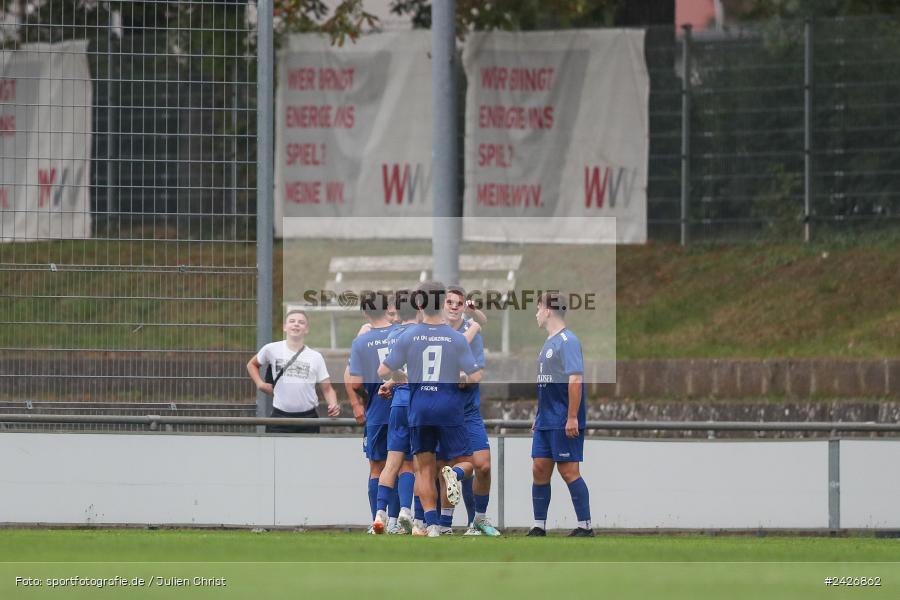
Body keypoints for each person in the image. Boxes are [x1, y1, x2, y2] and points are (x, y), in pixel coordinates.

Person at [378, 281, 482, 538]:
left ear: (420, 304)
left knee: (423, 469)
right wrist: (463, 377)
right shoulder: (456, 338)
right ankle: (453, 474)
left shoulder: (409, 336)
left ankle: (432, 525)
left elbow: (382, 370)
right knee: (467, 462)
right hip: (449, 409)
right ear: (442, 304)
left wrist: (398, 374)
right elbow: (475, 375)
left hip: (420, 409)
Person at [528, 291, 593, 537]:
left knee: (568, 471)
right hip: (546, 419)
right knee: (539, 468)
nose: (536, 313)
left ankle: (585, 527)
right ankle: (538, 526)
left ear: (547, 310)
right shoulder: (549, 342)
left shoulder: (568, 341)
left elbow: (575, 379)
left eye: (537, 308)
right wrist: (539, 415)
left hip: (563, 419)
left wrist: (572, 417)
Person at [438, 285, 500, 536]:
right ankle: (441, 524)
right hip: (441, 410)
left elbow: (478, 372)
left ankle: (479, 521)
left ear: (464, 307)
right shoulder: (434, 332)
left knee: (482, 465)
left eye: (458, 303)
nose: (453, 307)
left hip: (468, 411)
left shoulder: (471, 332)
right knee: (442, 468)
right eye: (449, 302)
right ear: (443, 306)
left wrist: (467, 377)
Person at [346, 292, 396, 528]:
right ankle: (399, 519)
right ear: (388, 308)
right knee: (402, 464)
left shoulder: (361, 341)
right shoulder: (403, 333)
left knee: (377, 467)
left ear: (365, 313)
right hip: (405, 406)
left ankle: (378, 519)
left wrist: (364, 399)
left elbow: (354, 383)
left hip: (377, 410)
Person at [371, 291, 418, 534]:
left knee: (390, 462)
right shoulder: (419, 334)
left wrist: (393, 381)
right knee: (412, 464)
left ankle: (380, 514)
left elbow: (388, 370)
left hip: (397, 402)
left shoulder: (392, 334)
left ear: (397, 312)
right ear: (419, 309)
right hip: (417, 401)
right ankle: (406, 512)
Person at [246, 309, 339, 434]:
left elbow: (327, 389)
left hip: (308, 419)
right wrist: (260, 384)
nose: (296, 324)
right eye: (292, 321)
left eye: (301, 322)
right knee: (276, 453)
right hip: (279, 418)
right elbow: (252, 364)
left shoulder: (316, 356)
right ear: (285, 327)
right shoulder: (271, 349)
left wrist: (333, 405)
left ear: (306, 329)